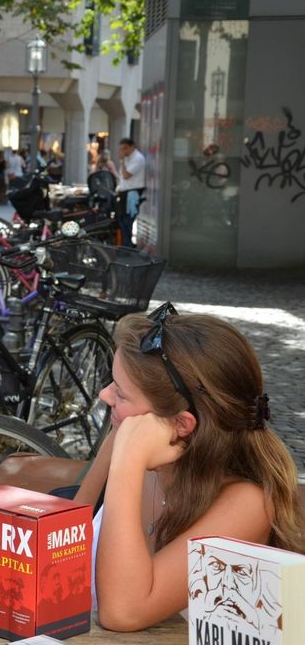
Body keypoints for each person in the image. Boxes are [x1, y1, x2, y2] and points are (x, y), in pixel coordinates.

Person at [74, 304, 305, 631]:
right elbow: (60, 543)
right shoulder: (122, 436)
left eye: (121, 393)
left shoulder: (246, 504)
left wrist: (128, 463)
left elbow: (124, 612)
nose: (104, 395)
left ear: (181, 424)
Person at [115, 138, 146, 247]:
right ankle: (125, 243)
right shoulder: (129, 159)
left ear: (132, 146)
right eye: (121, 149)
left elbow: (126, 175)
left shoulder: (138, 158)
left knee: (127, 220)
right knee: (122, 219)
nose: (124, 151)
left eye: (125, 148)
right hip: (124, 192)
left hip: (132, 193)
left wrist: (122, 161)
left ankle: (127, 245)